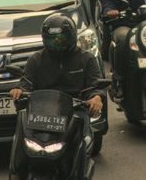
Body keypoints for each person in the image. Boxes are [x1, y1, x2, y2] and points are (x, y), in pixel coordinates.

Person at [7, 14, 104, 179]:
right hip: (41, 112)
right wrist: (19, 91)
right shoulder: (36, 60)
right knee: (21, 136)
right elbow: (26, 84)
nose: (56, 44)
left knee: (83, 144)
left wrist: (96, 98)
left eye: (61, 39)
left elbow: (95, 86)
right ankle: (17, 173)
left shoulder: (86, 59)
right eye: (52, 39)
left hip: (75, 110)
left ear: (71, 37)